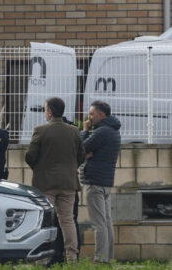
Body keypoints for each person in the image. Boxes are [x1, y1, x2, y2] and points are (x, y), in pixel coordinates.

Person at [25, 97, 85, 263]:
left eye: (45, 109)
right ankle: (72, 258)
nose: (45, 112)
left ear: (50, 112)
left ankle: (42, 260)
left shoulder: (41, 130)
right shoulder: (74, 131)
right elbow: (81, 156)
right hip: (68, 183)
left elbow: (30, 156)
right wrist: (70, 169)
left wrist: (39, 169)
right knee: (67, 221)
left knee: (45, 221)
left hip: (46, 184)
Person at [81, 100, 121, 263]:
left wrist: (84, 131)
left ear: (101, 114)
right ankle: (108, 258)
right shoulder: (113, 130)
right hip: (105, 183)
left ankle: (100, 260)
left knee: (99, 224)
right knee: (106, 222)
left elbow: (80, 148)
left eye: (91, 114)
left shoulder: (102, 131)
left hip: (95, 182)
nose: (89, 118)